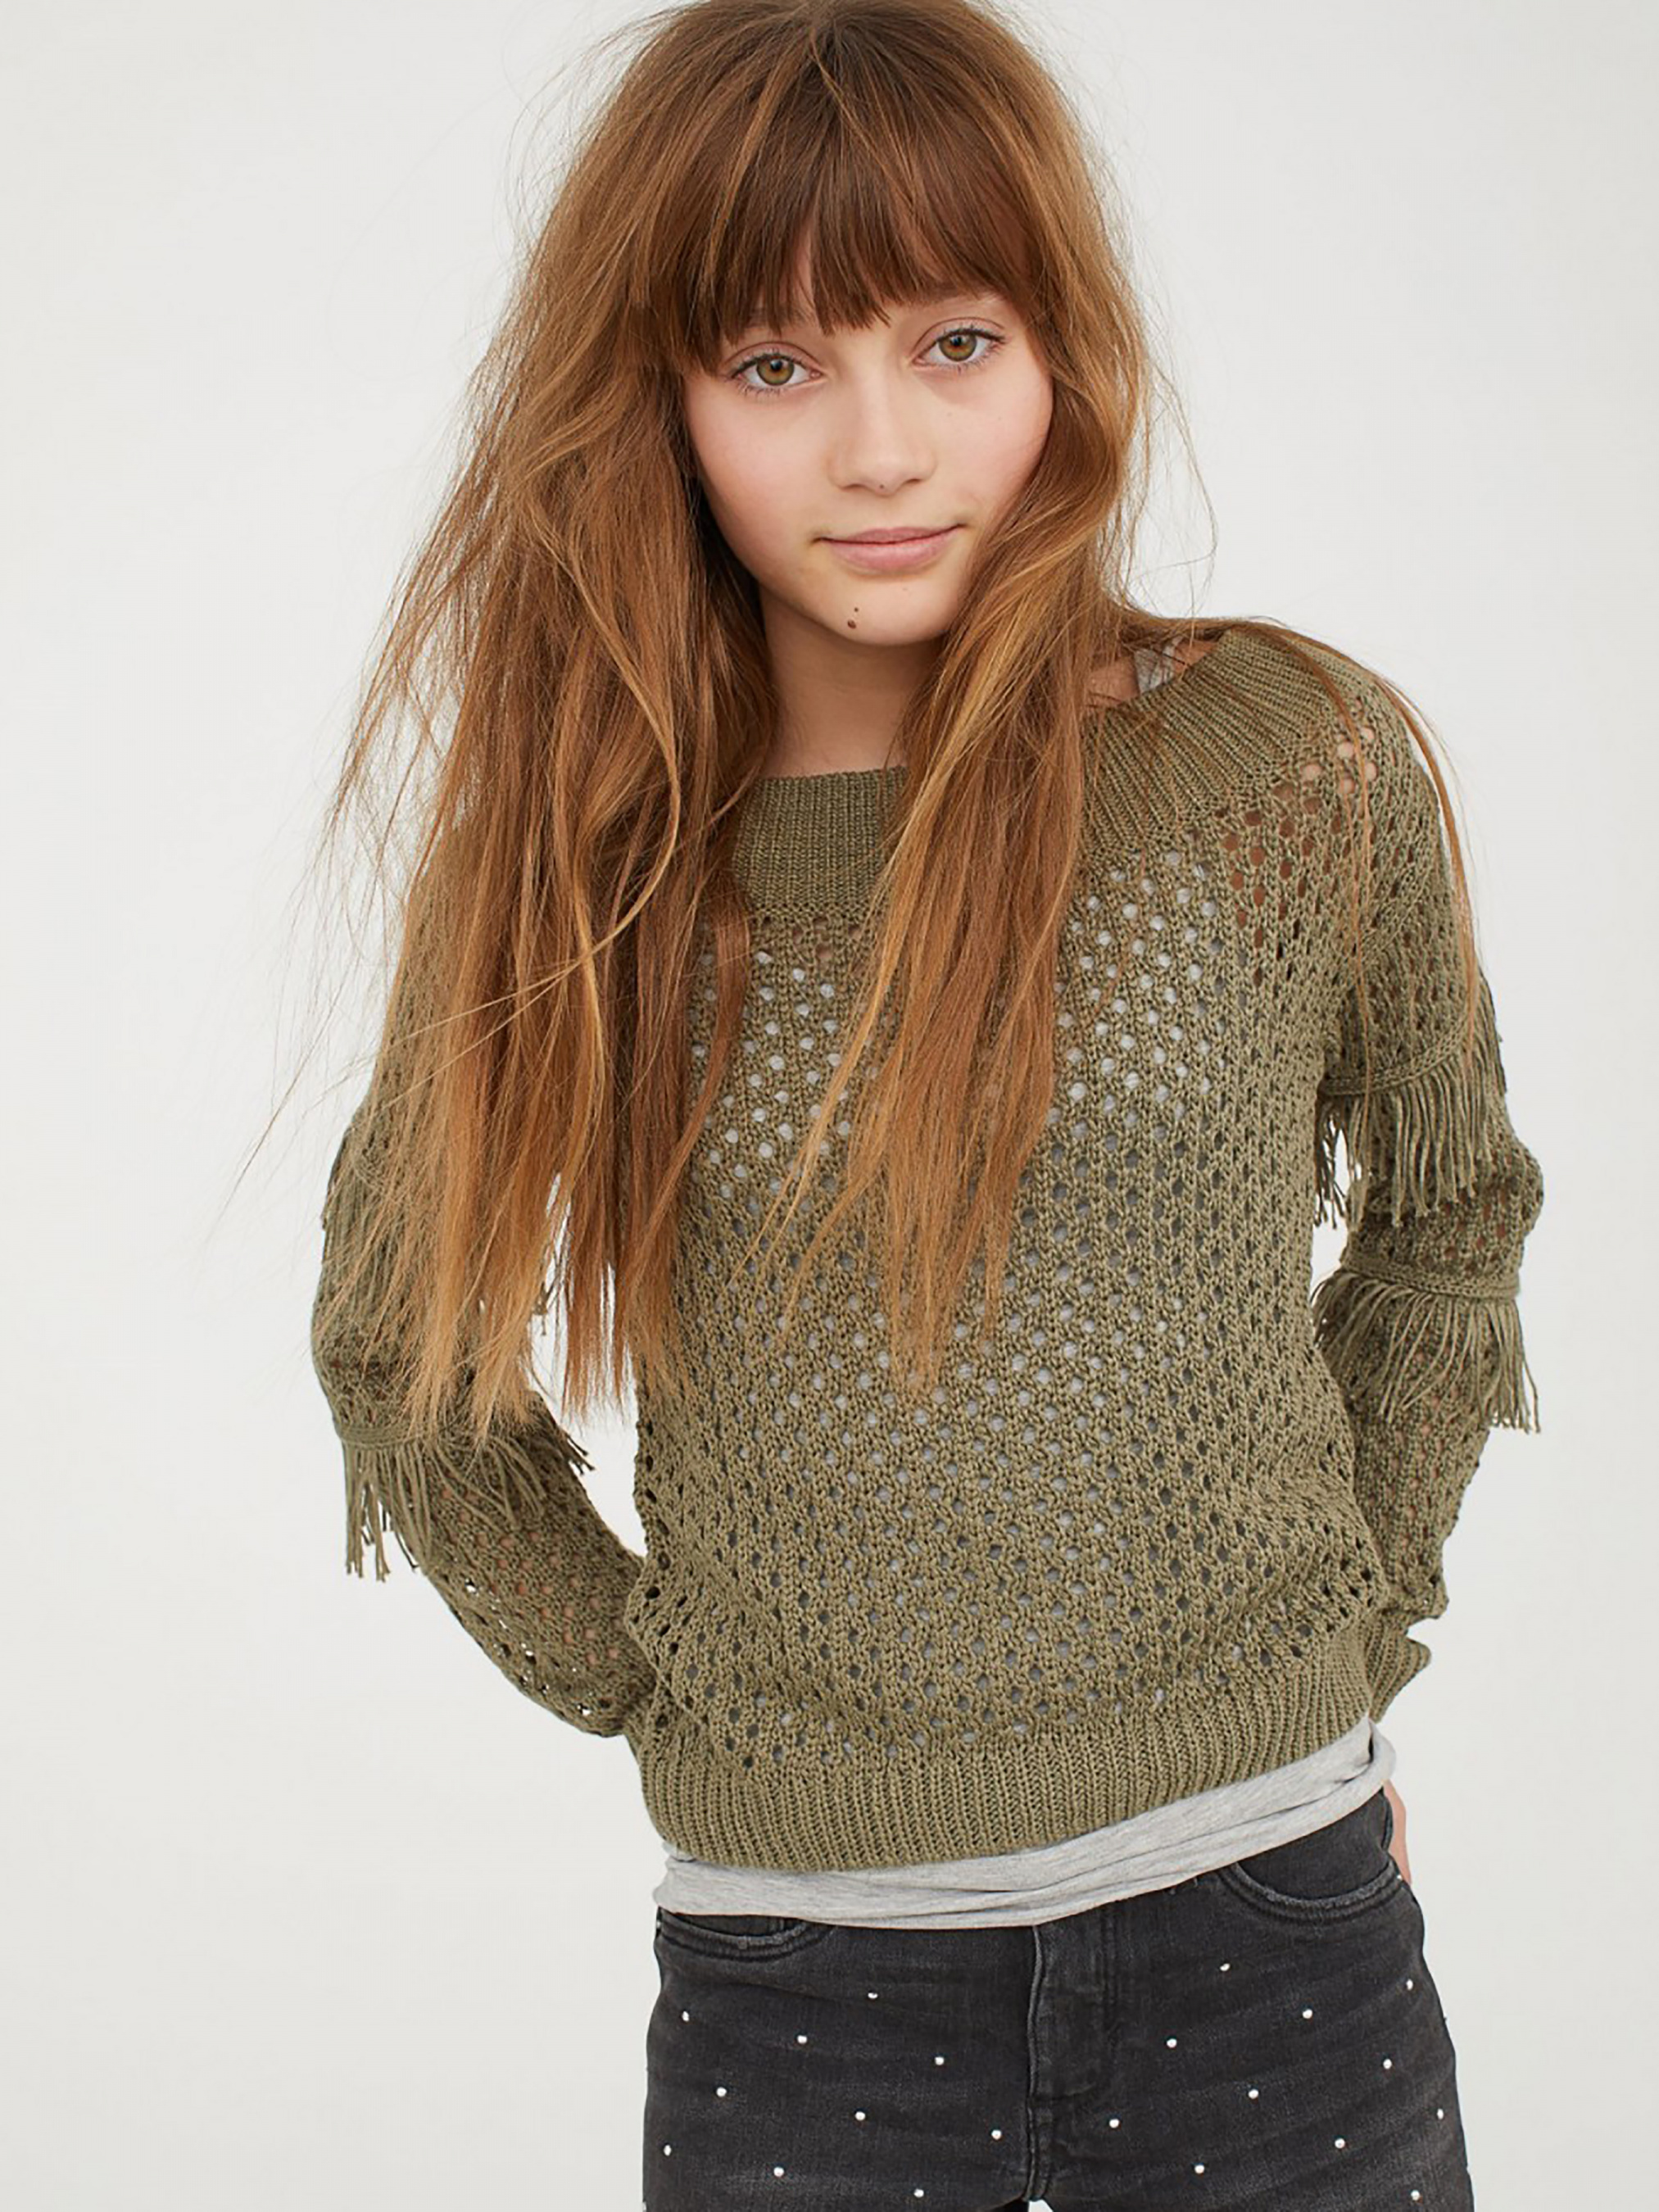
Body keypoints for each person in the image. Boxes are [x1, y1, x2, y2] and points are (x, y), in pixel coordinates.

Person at [305, 2, 1544, 2205]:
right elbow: (402, 1353)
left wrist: (1356, 1625)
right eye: (777, 363)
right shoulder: (596, 876)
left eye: (954, 341)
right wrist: (659, 1683)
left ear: (1062, 352)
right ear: (661, 401)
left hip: (1276, 1938)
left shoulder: (1284, 765)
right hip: (809, 1998)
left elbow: (1448, 1212)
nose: (881, 448)